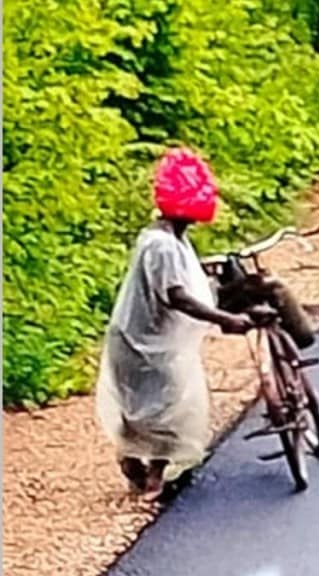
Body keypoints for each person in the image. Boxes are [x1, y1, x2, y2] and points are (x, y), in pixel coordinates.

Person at [95, 148, 253, 500]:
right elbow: (176, 295)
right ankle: (149, 470)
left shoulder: (167, 238)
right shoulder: (162, 246)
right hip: (147, 343)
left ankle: (138, 460)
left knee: (148, 405)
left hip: (144, 340)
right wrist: (225, 319)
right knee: (166, 405)